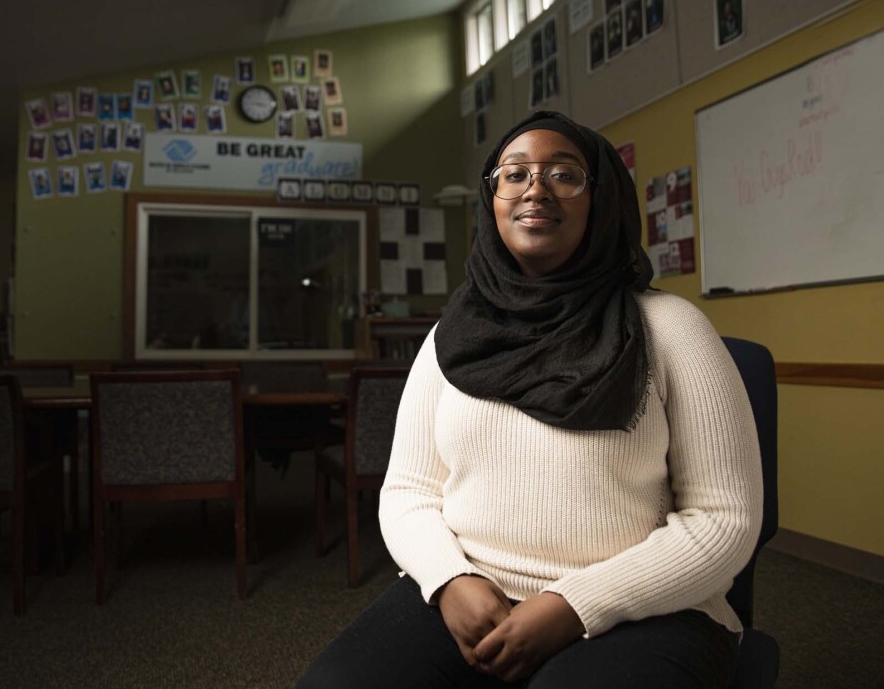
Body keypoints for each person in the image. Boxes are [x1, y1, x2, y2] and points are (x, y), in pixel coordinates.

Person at [295, 110, 762, 689]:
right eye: (514, 175)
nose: (535, 188)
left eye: (564, 174)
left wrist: (573, 604)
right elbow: (408, 491)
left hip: (645, 605)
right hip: (471, 590)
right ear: (492, 201)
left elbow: (724, 519)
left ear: (602, 199)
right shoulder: (452, 334)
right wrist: (448, 580)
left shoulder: (671, 328)